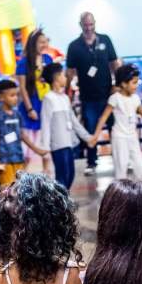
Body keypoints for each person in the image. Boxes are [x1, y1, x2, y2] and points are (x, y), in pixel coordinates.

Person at [65, 12, 120, 176]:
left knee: (114, 127)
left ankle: (120, 158)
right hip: (88, 96)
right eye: (85, 25)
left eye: (91, 24)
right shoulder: (74, 46)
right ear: (80, 25)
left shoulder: (105, 40)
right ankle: (91, 162)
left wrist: (118, 85)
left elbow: (114, 63)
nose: (89, 28)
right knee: (89, 128)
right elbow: (70, 71)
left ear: (95, 23)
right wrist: (67, 92)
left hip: (107, 94)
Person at [37, 63, 95, 191]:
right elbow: (45, 124)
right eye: (62, 74)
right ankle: (61, 203)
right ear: (56, 78)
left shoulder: (65, 98)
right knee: (62, 176)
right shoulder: (48, 98)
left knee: (71, 174)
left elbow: (74, 122)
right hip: (57, 145)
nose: (65, 77)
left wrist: (87, 137)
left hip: (68, 143)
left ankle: (62, 200)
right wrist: (45, 147)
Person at [92, 64, 142, 180]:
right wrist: (95, 136)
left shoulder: (136, 98)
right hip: (119, 138)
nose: (136, 85)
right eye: (134, 82)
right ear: (123, 84)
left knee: (140, 168)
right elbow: (103, 117)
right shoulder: (115, 98)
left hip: (132, 137)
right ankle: (120, 196)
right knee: (121, 169)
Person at [0, 79, 46, 192]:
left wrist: (37, 150)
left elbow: (22, 135)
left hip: (18, 158)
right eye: (12, 95)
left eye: (16, 95)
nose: (16, 98)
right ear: (1, 97)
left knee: (20, 188)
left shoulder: (18, 114)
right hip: (4, 160)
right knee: (6, 189)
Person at [16, 28, 55, 170]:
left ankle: (47, 178)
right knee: (29, 148)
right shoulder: (24, 62)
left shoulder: (48, 59)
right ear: (33, 43)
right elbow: (22, 88)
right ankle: (24, 178)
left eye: (46, 42)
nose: (44, 44)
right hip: (31, 106)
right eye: (41, 42)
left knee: (46, 144)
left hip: (46, 104)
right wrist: (29, 108)